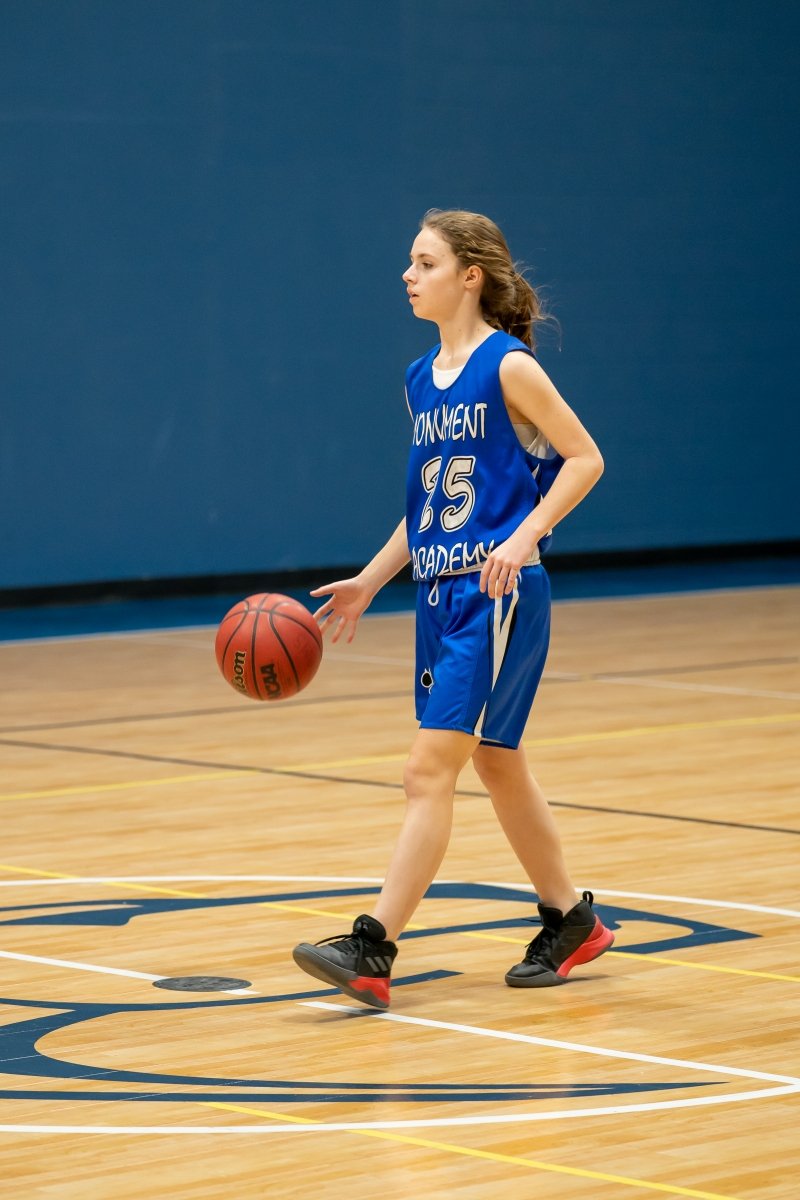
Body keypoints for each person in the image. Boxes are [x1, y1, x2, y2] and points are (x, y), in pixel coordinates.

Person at [292, 209, 613, 1009]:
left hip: (497, 592)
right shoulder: (418, 378)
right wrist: (371, 580)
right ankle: (571, 920)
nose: (409, 275)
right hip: (440, 594)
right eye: (411, 261)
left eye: (425, 262)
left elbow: (585, 458)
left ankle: (372, 947)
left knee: (427, 769)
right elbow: (429, 508)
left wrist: (525, 535)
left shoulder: (509, 367)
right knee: (497, 762)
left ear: (471, 276)